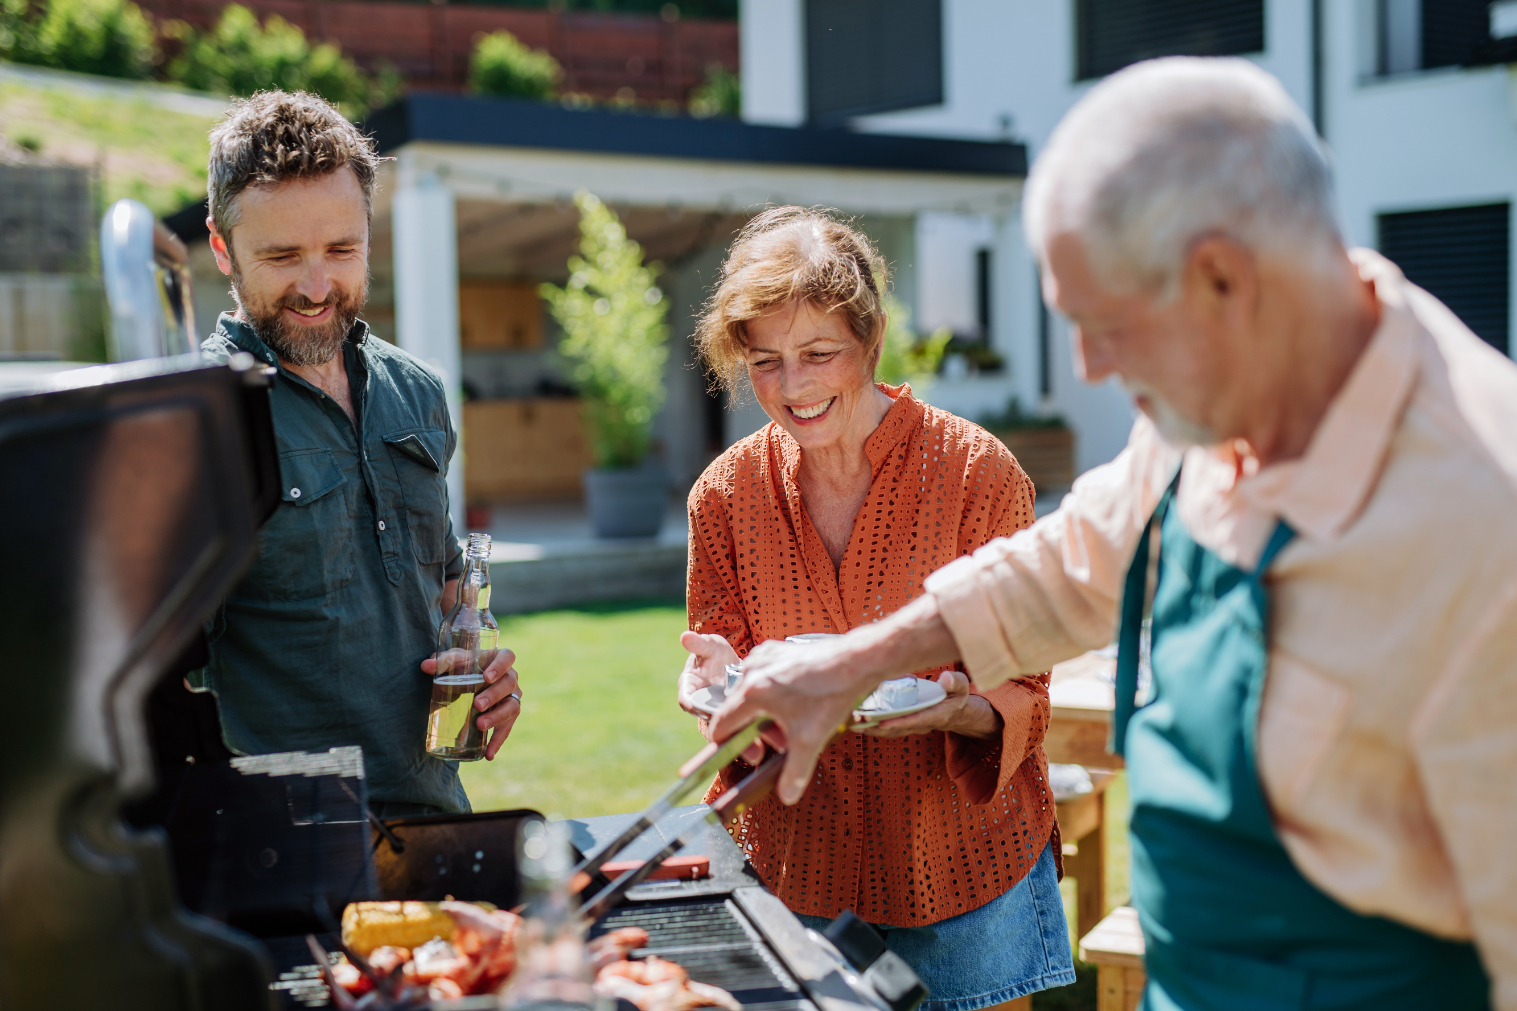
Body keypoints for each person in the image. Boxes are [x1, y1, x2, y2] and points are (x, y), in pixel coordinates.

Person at [711, 58, 1516, 1010]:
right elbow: (1065, 568)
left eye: (1106, 325)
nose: (1090, 367)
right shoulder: (1215, 408)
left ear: (1222, 276)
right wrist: (846, 666)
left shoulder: (1476, 521)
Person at [677, 207, 1075, 1009]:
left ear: (871, 340)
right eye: (765, 362)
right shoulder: (722, 494)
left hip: (963, 866)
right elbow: (730, 678)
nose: (794, 387)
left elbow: (1024, 693)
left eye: (819, 353)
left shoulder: (977, 473)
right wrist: (716, 689)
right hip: (800, 868)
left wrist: (955, 710)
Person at [194, 91, 523, 817]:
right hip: (282, 849)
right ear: (223, 247)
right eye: (282, 256)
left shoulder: (418, 391)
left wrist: (486, 666)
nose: (317, 288)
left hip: (434, 817)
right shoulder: (195, 418)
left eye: (341, 250)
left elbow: (442, 588)